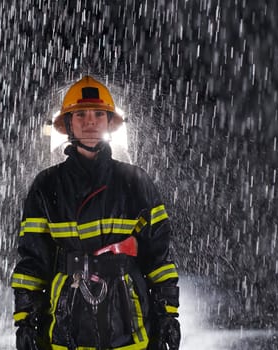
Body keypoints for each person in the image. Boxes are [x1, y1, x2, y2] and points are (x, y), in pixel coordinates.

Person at [11, 75, 181, 349]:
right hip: (68, 324)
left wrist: (167, 317)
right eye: (80, 114)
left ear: (109, 123)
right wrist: (26, 321)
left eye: (98, 114)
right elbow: (32, 263)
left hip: (130, 322)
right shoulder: (47, 185)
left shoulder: (136, 182)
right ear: (68, 124)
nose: (90, 122)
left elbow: (159, 259)